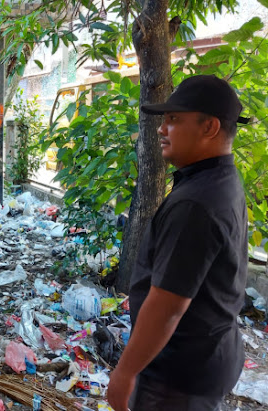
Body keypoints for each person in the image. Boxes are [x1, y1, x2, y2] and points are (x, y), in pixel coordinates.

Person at [107, 75, 249, 411]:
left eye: (174, 119)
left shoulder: (195, 204)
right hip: (209, 355)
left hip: (179, 377)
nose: (161, 129)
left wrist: (125, 371)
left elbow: (167, 307)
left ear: (209, 127)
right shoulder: (221, 180)